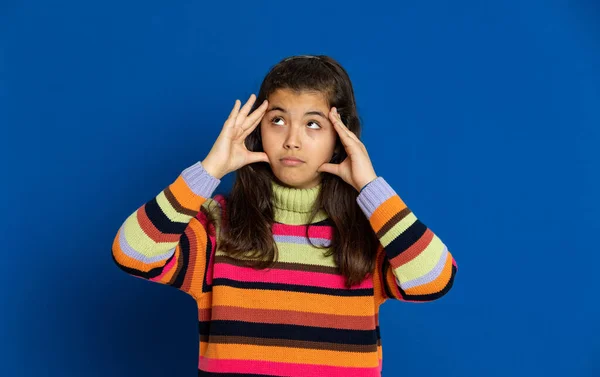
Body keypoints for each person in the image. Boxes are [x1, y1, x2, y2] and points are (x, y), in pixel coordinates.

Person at [112, 54, 458, 376]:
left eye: (313, 124)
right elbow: (133, 253)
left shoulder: (369, 231)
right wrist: (209, 170)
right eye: (277, 120)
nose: (292, 140)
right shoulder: (218, 224)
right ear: (257, 129)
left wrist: (370, 187)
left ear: (340, 138)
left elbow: (434, 279)